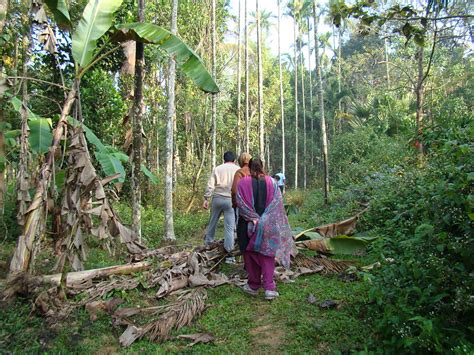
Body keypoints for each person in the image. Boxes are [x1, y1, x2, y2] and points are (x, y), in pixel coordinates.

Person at [236, 157, 294, 300]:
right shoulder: (272, 183)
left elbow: (240, 204)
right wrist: (265, 219)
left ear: (249, 168)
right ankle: (269, 288)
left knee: (250, 254)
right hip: (269, 225)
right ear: (262, 166)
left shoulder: (242, 183)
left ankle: (253, 285)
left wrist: (254, 218)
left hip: (248, 225)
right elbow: (277, 204)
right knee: (267, 255)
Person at [203, 151, 240, 264]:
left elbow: (210, 185)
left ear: (224, 159)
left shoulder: (217, 169)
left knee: (212, 222)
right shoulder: (237, 170)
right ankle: (230, 256)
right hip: (230, 200)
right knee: (229, 228)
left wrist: (206, 198)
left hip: (217, 198)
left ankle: (207, 247)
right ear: (234, 160)